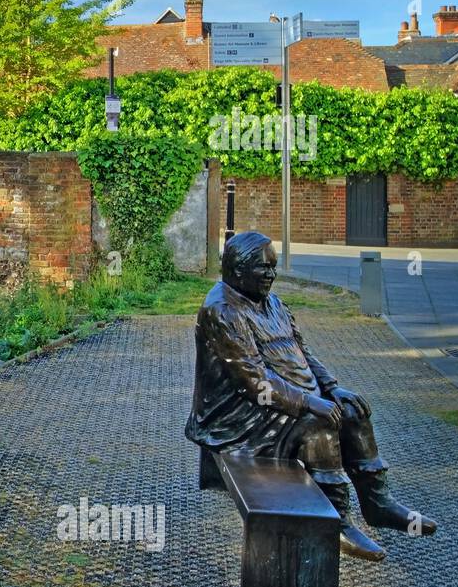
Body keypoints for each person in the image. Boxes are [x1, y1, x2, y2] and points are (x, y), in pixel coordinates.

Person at [186, 231, 437, 560]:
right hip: (239, 416)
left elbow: (302, 352)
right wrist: (309, 402)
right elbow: (254, 381)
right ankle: (337, 522)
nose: (271, 275)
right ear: (237, 271)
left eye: (273, 268)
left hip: (286, 400)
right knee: (318, 427)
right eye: (264, 269)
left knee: (352, 411)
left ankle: (377, 503)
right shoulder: (222, 311)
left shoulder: (273, 302)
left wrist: (332, 388)